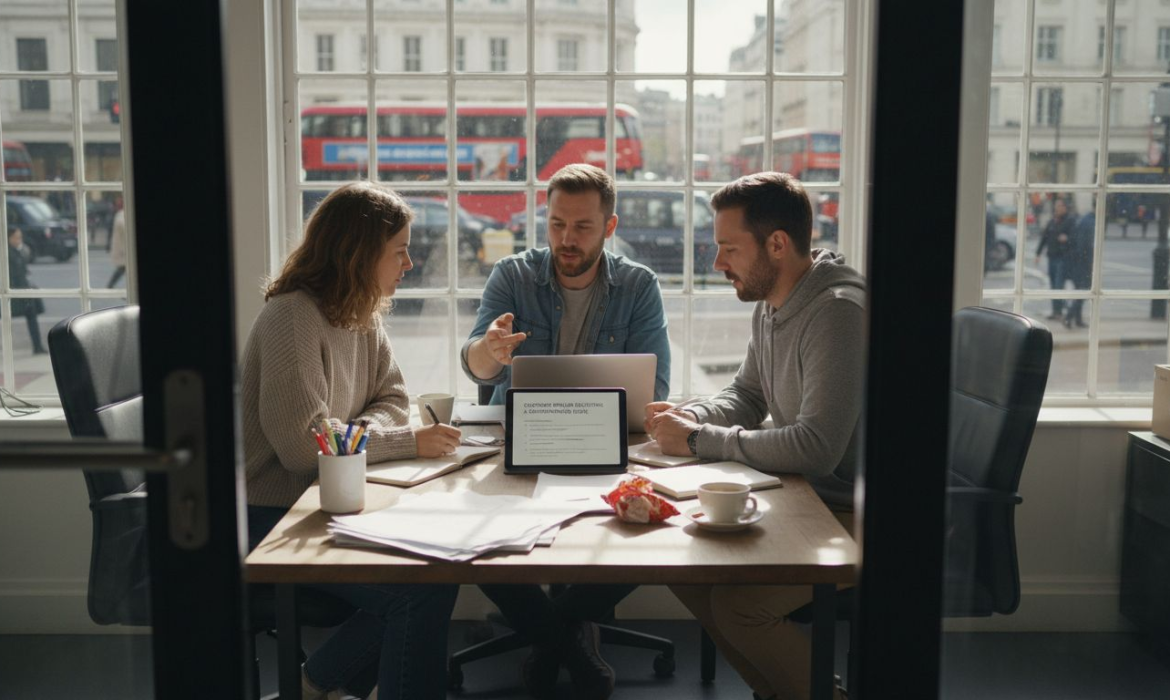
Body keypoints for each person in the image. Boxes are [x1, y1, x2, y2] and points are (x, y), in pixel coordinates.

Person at [646, 172, 865, 700]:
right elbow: (746, 394)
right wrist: (688, 415)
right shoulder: (775, 299)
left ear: (777, 244)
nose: (718, 263)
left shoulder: (836, 312)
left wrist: (699, 441)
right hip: (812, 500)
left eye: (728, 248)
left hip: (857, 513)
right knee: (684, 565)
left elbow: (815, 448)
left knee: (741, 606)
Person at [241, 182, 461, 700]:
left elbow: (392, 396)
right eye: (399, 250)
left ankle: (316, 683)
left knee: (438, 573)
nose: (408, 263)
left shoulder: (360, 310)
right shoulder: (292, 317)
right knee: (420, 592)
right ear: (359, 255)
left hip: (334, 500)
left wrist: (352, 433)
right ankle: (323, 684)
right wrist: (406, 441)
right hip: (276, 516)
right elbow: (302, 448)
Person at [461, 163, 670, 699]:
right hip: (521, 442)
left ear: (610, 226)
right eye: (556, 224)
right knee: (479, 542)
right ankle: (569, 640)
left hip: (608, 441)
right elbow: (475, 367)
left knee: (651, 535)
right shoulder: (511, 275)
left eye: (581, 227)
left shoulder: (638, 285)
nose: (566, 239)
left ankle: (546, 635)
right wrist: (488, 352)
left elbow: (656, 384)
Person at [7, 228, 47, 355]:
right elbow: (17, 275)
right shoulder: (9, 254)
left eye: (20, 237)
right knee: (31, 315)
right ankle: (37, 346)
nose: (20, 240)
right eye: (17, 237)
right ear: (9, 238)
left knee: (31, 315)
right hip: (16, 294)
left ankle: (37, 346)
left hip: (19, 293)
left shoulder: (15, 251)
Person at [1034, 197, 1074, 321]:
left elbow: (1076, 238)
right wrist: (1038, 253)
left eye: (1059, 206)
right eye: (1056, 206)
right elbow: (1044, 238)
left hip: (1063, 257)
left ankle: (1060, 311)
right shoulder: (1052, 221)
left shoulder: (1070, 221)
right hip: (1051, 257)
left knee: (1058, 285)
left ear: (1065, 208)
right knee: (1053, 285)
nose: (1057, 208)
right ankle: (1056, 311)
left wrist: (1067, 239)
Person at [1066, 200, 1095, 329]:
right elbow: (1085, 245)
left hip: (1077, 261)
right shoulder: (1090, 222)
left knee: (1080, 290)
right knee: (1083, 290)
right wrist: (1089, 263)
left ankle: (1077, 319)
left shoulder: (1085, 220)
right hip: (1083, 262)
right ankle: (1069, 317)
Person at [107, 207, 127, 288]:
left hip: (123, 247)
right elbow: (124, 227)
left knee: (124, 268)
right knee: (123, 268)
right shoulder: (122, 215)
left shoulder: (121, 214)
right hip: (122, 248)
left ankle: (110, 286)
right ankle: (110, 286)